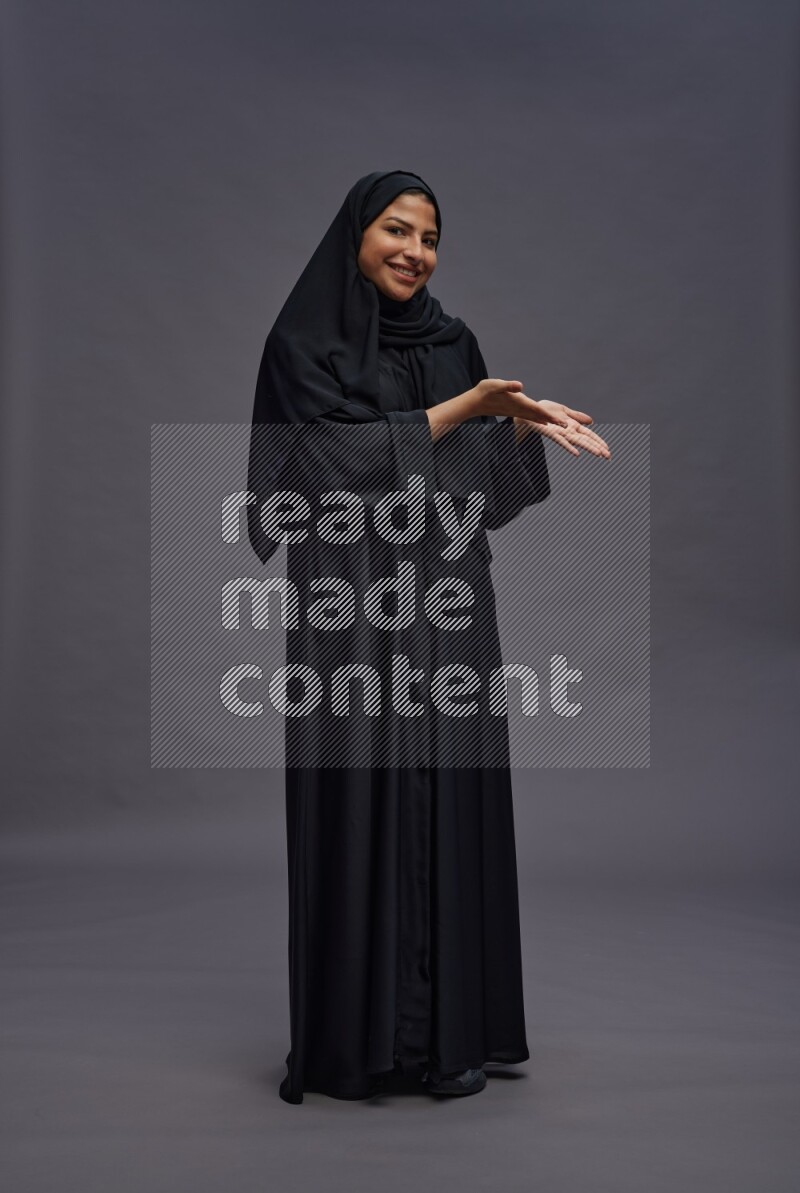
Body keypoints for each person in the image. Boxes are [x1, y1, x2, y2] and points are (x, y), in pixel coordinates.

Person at [247, 170, 610, 1104]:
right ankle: (359, 1045)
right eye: (397, 230)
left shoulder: (455, 346)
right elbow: (327, 467)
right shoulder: (304, 345)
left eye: (431, 236)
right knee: (361, 798)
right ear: (355, 237)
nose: (415, 251)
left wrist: (519, 432)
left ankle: (452, 1038)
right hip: (349, 614)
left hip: (449, 610)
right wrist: (468, 411)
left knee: (448, 800)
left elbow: (479, 495)